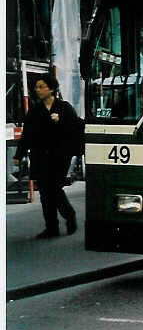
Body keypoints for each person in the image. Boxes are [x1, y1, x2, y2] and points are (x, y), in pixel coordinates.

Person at [12, 75, 82, 238]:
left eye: (42, 86)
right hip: (40, 157)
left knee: (54, 188)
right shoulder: (35, 111)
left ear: (51, 89)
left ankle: (69, 215)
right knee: (45, 191)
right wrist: (19, 155)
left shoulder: (64, 107)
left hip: (59, 156)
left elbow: (77, 127)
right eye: (37, 87)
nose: (38, 90)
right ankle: (51, 227)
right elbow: (27, 135)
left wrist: (61, 121)